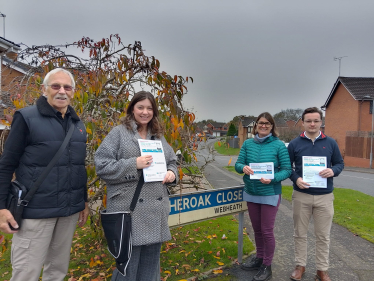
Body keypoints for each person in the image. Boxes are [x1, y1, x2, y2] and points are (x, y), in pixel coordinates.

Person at [0, 68, 89, 281]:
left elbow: (78, 165)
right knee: (26, 273)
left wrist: (83, 200)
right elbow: (6, 165)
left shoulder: (78, 124)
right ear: (44, 89)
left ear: (73, 92)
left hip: (67, 212)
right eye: (55, 86)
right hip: (36, 212)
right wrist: (1, 207)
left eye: (67, 87)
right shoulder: (27, 118)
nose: (62, 91)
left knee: (57, 272)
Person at [94, 91, 178, 281]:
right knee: (127, 270)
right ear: (132, 108)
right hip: (128, 211)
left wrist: (172, 173)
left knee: (150, 270)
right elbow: (101, 165)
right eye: (140, 107)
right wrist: (134, 164)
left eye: (149, 108)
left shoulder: (157, 136)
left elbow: (172, 160)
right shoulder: (118, 133)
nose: (145, 112)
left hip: (156, 211)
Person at [288, 107, 344, 281]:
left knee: (323, 235)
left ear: (321, 122)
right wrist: (296, 179)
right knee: (300, 233)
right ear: (303, 123)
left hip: (325, 197)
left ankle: (322, 269)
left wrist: (332, 171)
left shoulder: (331, 143)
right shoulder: (294, 144)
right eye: (309, 121)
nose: (312, 124)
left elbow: (340, 164)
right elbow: (287, 168)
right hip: (301, 195)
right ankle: (300, 266)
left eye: (316, 121)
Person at [235, 112, 292, 281]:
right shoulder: (247, 144)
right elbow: (238, 164)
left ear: (272, 126)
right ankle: (259, 258)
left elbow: (287, 170)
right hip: (252, 193)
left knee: (267, 231)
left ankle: (267, 266)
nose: (264, 125)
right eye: (261, 123)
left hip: (270, 193)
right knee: (257, 229)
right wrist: (243, 168)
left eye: (267, 123)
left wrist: (273, 178)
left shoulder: (279, 145)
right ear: (256, 125)